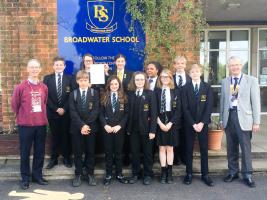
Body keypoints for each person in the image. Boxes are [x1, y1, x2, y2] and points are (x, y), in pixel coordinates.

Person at [220, 56, 261, 188]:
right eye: (232, 65)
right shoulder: (225, 81)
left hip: (245, 119)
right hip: (229, 117)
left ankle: (247, 175)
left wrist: (256, 121)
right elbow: (223, 103)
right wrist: (221, 119)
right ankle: (233, 172)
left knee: (245, 148)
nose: (235, 67)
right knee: (231, 147)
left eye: (237, 65)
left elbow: (256, 103)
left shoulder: (251, 81)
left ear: (241, 65)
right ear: (228, 67)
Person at [11, 59, 49, 190]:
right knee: (25, 153)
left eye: (36, 67)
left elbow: (44, 102)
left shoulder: (44, 87)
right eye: (31, 67)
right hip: (25, 125)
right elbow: (15, 105)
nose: (34, 70)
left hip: (41, 125)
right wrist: (25, 115)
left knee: (40, 152)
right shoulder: (20, 87)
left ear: (40, 69)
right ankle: (25, 178)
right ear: (27, 69)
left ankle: (37, 176)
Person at [182, 64, 214, 187]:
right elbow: (184, 108)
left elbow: (209, 106)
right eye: (192, 72)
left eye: (197, 71)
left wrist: (201, 122)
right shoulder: (185, 88)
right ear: (189, 74)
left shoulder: (207, 87)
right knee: (188, 149)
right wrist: (193, 123)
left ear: (200, 73)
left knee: (204, 149)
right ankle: (188, 173)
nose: (195, 73)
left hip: (203, 124)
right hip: (189, 124)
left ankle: (205, 174)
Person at [69, 70, 99, 187]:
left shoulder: (94, 93)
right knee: (77, 152)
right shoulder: (73, 94)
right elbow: (72, 112)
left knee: (90, 152)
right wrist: (82, 125)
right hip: (77, 129)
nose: (83, 82)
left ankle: (90, 174)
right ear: (77, 81)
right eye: (81, 80)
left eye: (85, 80)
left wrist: (86, 125)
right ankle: (78, 174)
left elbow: (96, 110)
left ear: (88, 81)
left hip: (91, 128)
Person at [127, 71, 157, 185]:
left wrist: (153, 130)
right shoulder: (130, 94)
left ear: (145, 81)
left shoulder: (150, 94)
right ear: (134, 81)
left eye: (141, 79)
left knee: (147, 153)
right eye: (137, 80)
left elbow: (154, 114)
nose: (139, 82)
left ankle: (148, 174)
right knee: (134, 152)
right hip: (134, 129)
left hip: (147, 130)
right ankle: (135, 174)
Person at [43, 57, 73, 169]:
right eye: (56, 64)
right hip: (52, 112)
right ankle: (53, 159)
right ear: (53, 66)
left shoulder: (70, 78)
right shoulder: (47, 78)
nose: (59, 66)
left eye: (61, 65)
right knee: (54, 136)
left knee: (66, 135)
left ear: (64, 66)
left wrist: (64, 109)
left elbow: (72, 95)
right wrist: (56, 109)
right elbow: (45, 96)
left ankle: (66, 157)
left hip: (66, 113)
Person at [99, 76, 129, 186]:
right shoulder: (104, 97)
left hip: (119, 130)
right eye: (112, 84)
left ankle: (119, 174)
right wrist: (105, 125)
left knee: (118, 152)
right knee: (108, 152)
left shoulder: (124, 97)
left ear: (119, 85)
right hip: (107, 129)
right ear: (108, 85)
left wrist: (120, 126)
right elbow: (100, 113)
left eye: (116, 84)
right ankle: (108, 174)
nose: (114, 86)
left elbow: (126, 114)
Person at [155, 69, 181, 184]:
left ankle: (169, 173)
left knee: (170, 148)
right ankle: (163, 172)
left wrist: (170, 123)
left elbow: (179, 110)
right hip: (160, 120)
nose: (164, 79)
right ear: (160, 79)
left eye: (167, 77)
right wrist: (160, 123)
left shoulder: (176, 91)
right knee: (162, 148)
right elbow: (153, 110)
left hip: (172, 122)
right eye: (162, 77)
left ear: (171, 78)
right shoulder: (156, 91)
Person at [109, 53, 133, 166]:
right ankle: (113, 159)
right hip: (113, 107)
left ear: (125, 62)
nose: (120, 63)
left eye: (122, 61)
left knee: (125, 133)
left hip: (125, 105)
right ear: (115, 63)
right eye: (118, 61)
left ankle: (126, 157)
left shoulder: (130, 74)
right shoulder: (110, 73)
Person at [172, 55, 191, 166]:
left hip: (187, 112)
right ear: (174, 65)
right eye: (177, 63)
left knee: (186, 135)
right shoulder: (171, 78)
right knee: (176, 135)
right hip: (174, 112)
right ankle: (176, 158)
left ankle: (185, 157)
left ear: (185, 65)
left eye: (182, 63)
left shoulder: (190, 78)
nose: (180, 65)